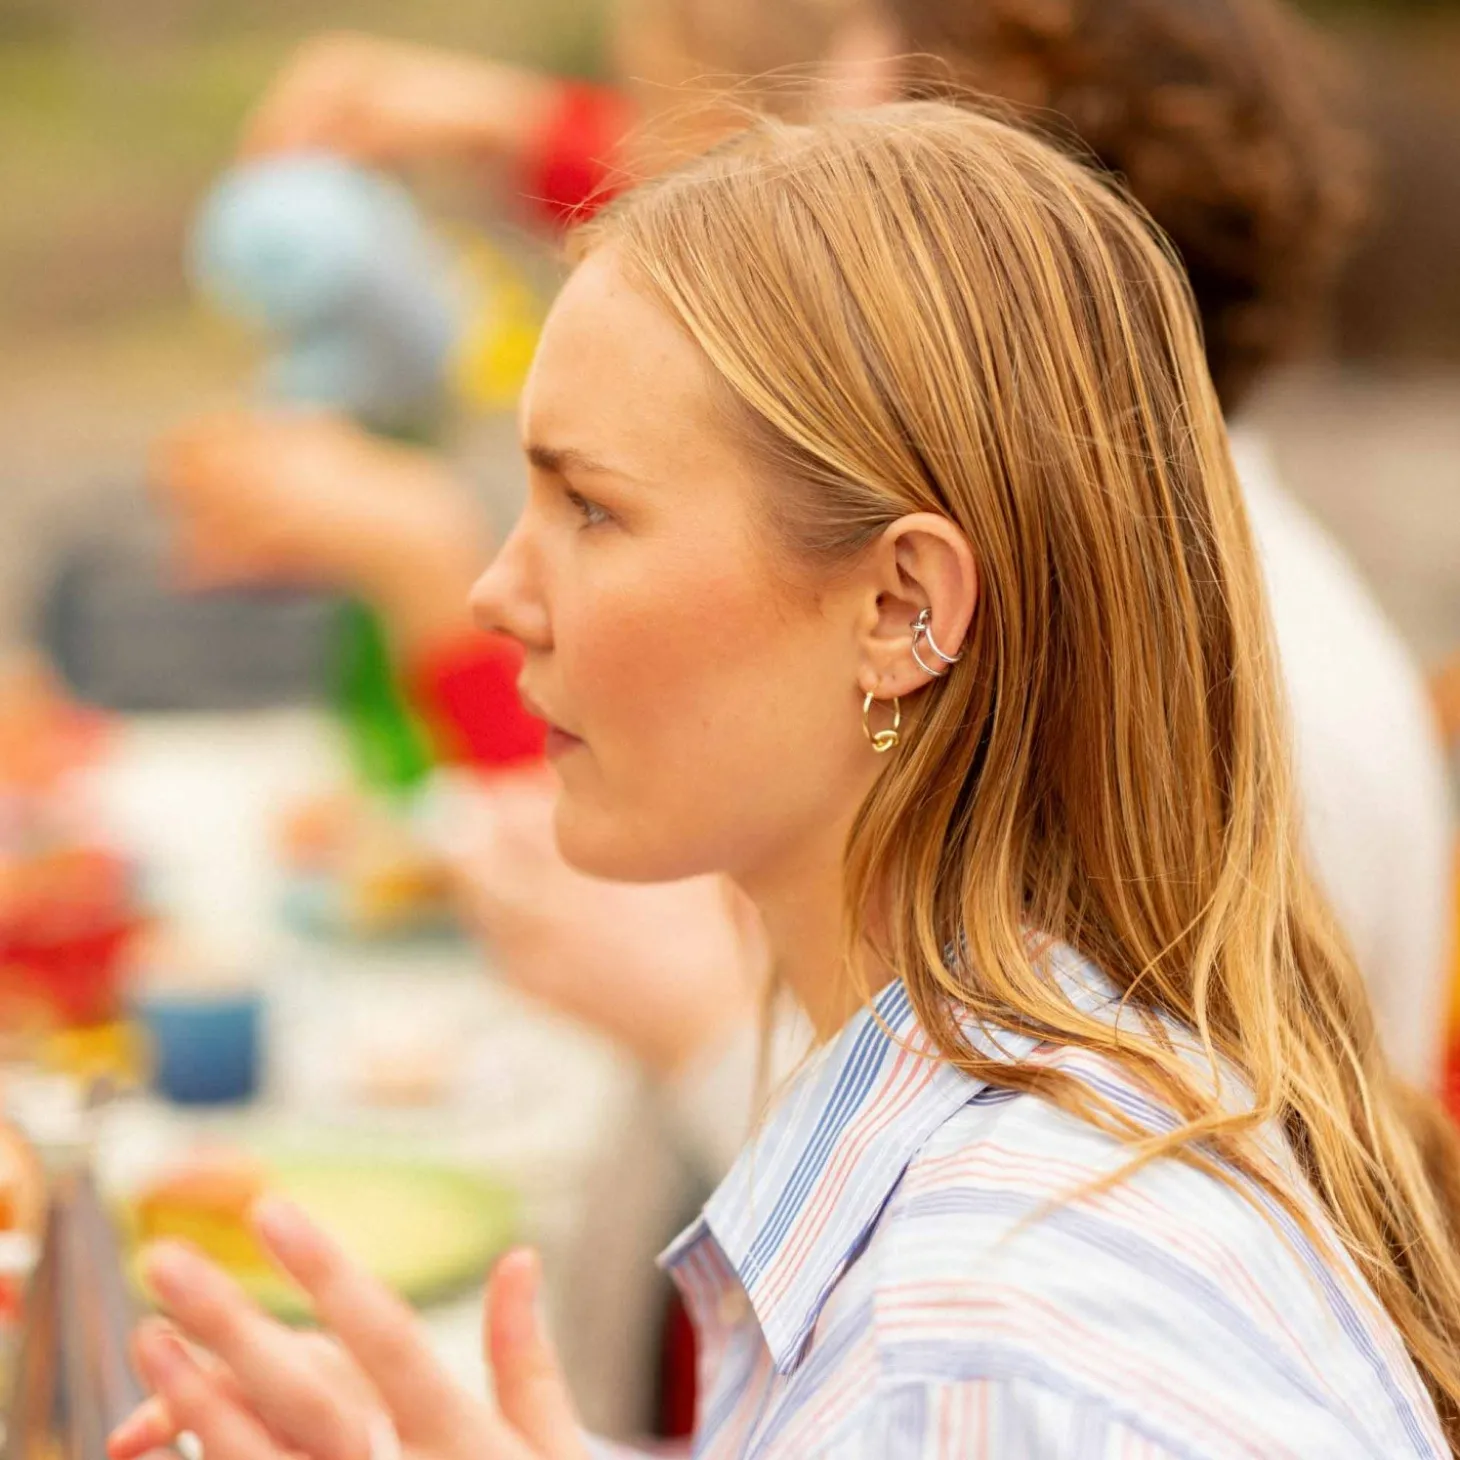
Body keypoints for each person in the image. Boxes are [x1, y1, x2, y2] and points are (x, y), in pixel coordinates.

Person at [112, 103, 1460, 1460]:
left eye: (591, 508)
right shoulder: (1077, 1120)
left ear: (899, 609)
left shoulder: (967, 1369)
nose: (496, 593)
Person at [156, 0, 1453, 1098]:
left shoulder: (1222, 692)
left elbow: (993, 1161)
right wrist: (510, 129)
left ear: (988, 227)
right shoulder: (1142, 567)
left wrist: (705, 1035)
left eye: (854, 137)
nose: (800, 171)